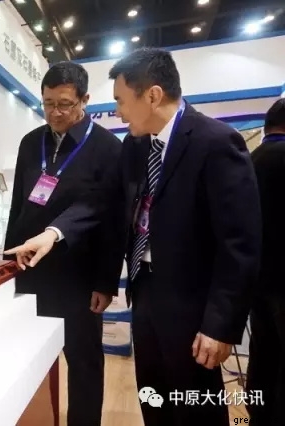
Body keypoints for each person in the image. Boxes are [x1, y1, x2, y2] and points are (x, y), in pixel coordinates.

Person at [106, 47, 260, 425]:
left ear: (152, 95)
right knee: (154, 398)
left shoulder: (216, 142)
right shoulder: (136, 146)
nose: (118, 112)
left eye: (121, 101)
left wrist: (219, 325)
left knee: (195, 408)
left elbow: (239, 244)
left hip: (193, 306)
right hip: (145, 292)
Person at [3, 61, 123, 426]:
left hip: (79, 278)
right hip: (32, 273)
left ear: (84, 100)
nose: (55, 112)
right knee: (27, 359)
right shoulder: (31, 142)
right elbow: (19, 206)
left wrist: (105, 282)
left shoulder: (107, 147)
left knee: (84, 362)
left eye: (65, 104)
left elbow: (111, 219)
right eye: (48, 103)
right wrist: (9, 265)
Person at [246, 98, 285, 426]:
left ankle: (257, 415)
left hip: (256, 278)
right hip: (283, 280)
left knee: (263, 352)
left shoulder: (251, 159)